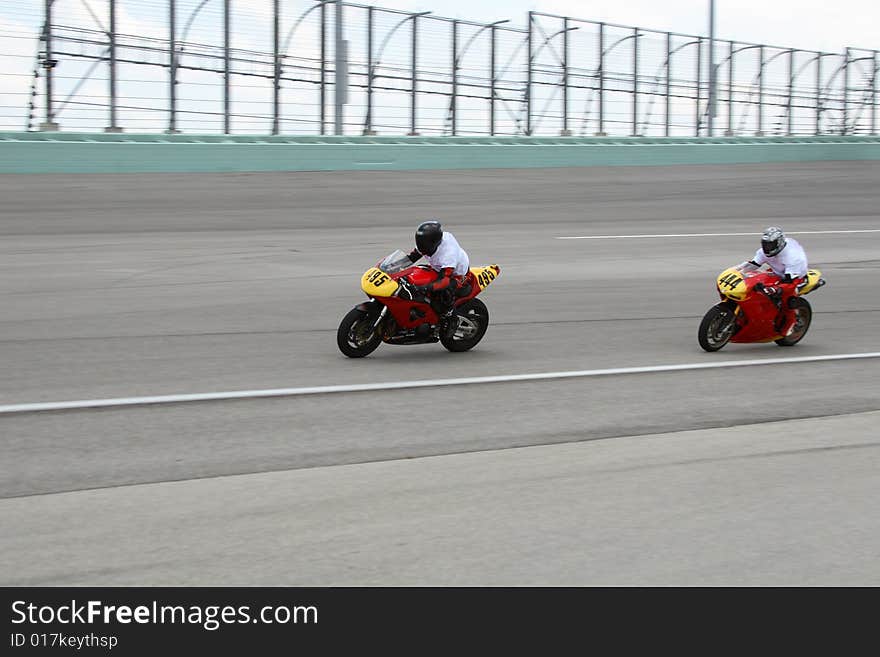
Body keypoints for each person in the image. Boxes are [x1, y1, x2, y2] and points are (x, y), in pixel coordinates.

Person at [397, 220, 470, 339]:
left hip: (456, 274)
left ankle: (451, 319)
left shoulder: (448, 254)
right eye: (419, 241)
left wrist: (424, 288)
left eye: (423, 243)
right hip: (438, 268)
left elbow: (445, 280)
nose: (420, 245)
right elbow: (412, 257)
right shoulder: (426, 243)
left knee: (444, 292)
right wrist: (392, 267)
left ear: (433, 242)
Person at [748, 226, 809, 331]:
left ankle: (789, 325)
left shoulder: (792, 257)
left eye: (770, 245)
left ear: (779, 243)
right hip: (777, 272)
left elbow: (790, 282)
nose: (767, 248)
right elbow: (753, 265)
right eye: (765, 244)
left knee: (786, 298)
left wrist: (775, 289)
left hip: (795, 277)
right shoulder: (764, 251)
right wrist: (738, 270)